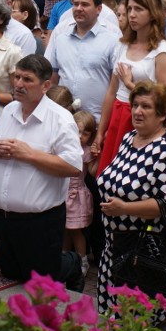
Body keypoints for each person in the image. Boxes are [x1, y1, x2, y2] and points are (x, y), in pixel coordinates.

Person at [0, 55, 84, 290]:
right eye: (17, 77)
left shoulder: (61, 119)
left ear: (45, 85)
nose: (18, 84)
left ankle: (72, 264)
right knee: (10, 273)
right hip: (3, 216)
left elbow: (72, 167)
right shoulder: (9, 110)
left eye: (27, 79)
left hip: (39, 221)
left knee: (40, 281)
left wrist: (29, 154)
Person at [97, 81, 166, 323]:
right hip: (115, 241)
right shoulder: (129, 139)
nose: (137, 111)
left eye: (146, 106)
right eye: (135, 105)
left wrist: (124, 208)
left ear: (162, 114)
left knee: (133, 317)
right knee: (110, 312)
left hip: (143, 247)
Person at [94, 0, 166, 174]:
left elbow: (165, 96)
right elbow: (111, 92)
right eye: (129, 9)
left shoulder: (162, 50)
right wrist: (101, 131)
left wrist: (131, 85)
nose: (132, 15)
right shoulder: (122, 44)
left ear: (152, 13)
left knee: (132, 175)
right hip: (118, 114)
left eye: (138, 9)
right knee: (109, 173)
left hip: (142, 117)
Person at [46, 0, 118, 122]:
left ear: (99, 9)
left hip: (96, 123)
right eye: (76, 4)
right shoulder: (60, 33)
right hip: (62, 120)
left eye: (85, 4)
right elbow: (52, 76)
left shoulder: (113, 38)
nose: (79, 8)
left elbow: (115, 86)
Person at [68, 109, 97, 276]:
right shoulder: (65, 147)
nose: (80, 137)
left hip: (76, 194)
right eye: (77, 131)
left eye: (85, 133)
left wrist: (96, 156)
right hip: (63, 194)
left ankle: (82, 260)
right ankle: (65, 258)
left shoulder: (85, 151)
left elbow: (92, 172)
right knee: (65, 229)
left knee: (76, 230)